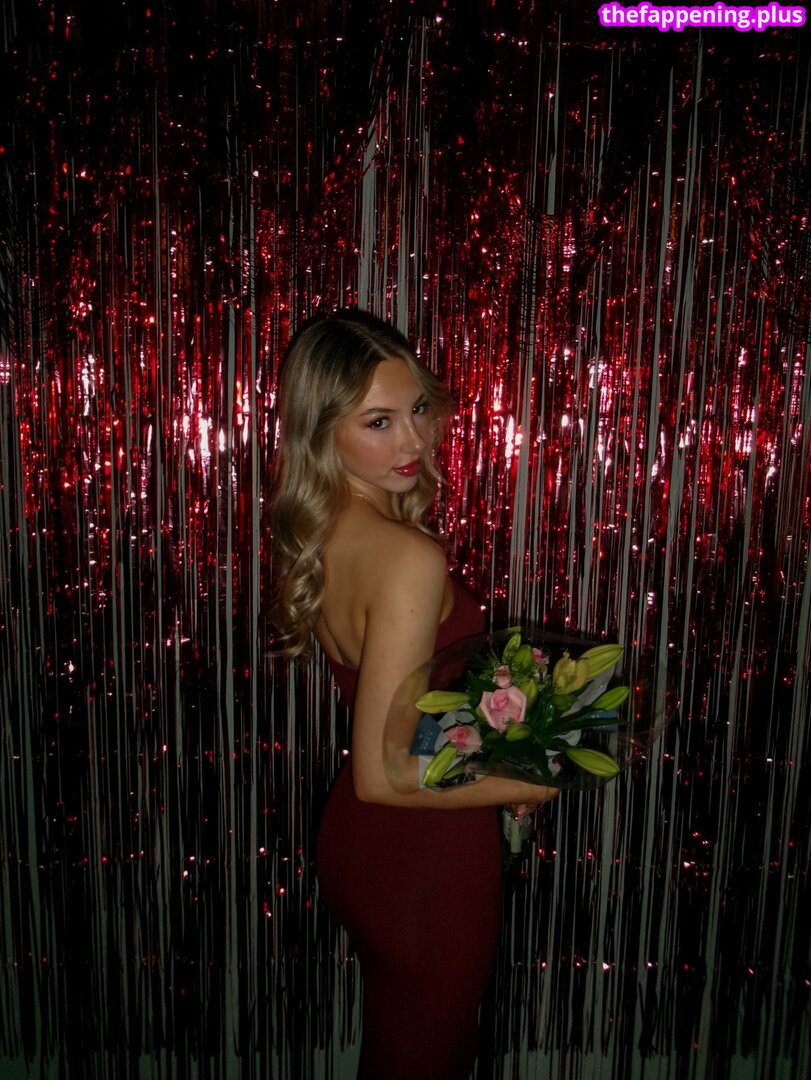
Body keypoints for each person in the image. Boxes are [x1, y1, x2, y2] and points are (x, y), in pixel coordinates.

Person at [269, 310, 557, 1079]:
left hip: (367, 847)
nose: (414, 441)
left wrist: (495, 735)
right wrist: (520, 780)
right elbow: (384, 771)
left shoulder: (329, 530)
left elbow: (405, 713)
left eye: (419, 409)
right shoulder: (403, 556)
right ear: (322, 431)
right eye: (378, 421)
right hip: (421, 859)